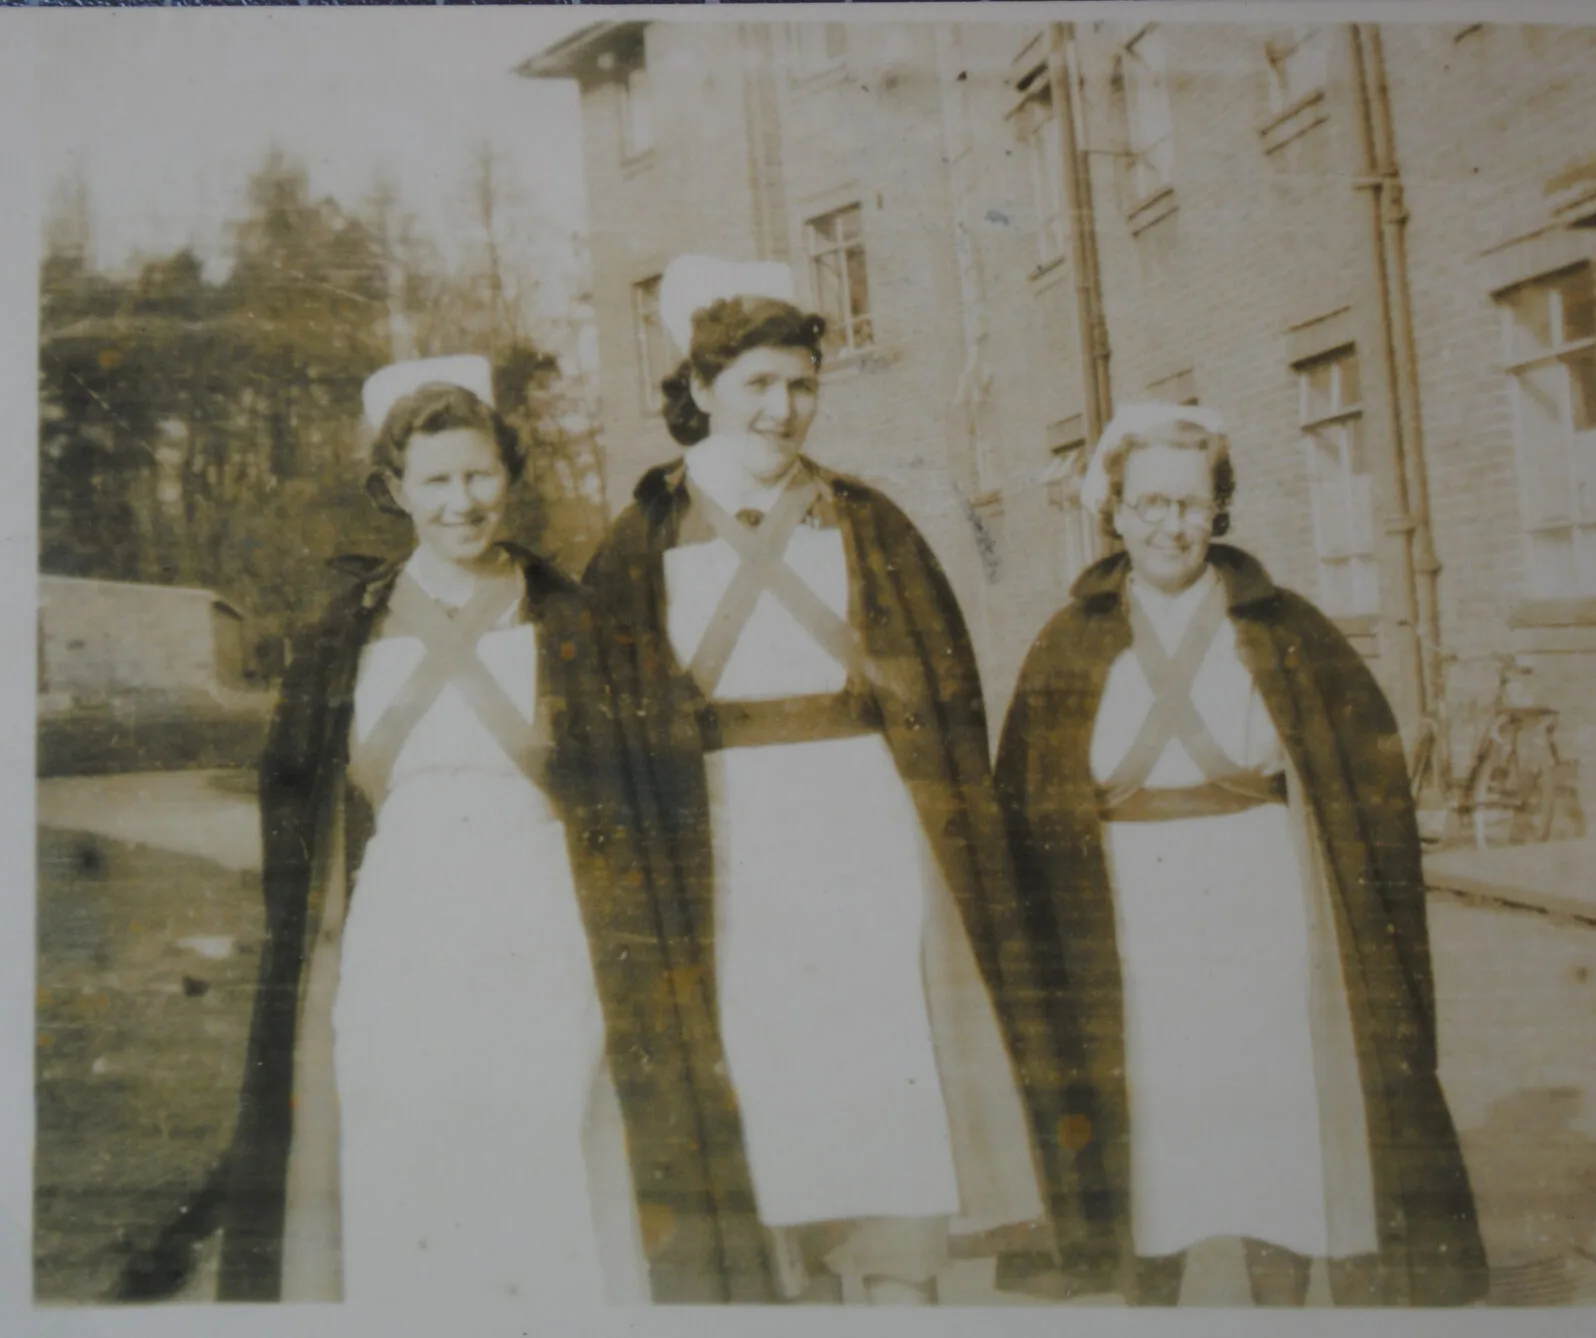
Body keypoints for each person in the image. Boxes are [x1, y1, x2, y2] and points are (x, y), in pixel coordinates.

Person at [581, 256, 1048, 1306]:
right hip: (730, 852)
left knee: (885, 1088)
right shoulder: (639, 540)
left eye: (800, 384)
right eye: (756, 383)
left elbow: (944, 697)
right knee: (768, 1100)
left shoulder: (867, 523)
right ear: (700, 389)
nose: (782, 409)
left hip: (866, 838)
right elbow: (606, 733)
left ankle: (898, 1291)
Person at [993, 403, 1490, 1307]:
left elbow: (1363, 775)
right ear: (1113, 508)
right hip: (1130, 911)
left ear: (1218, 508)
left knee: (1275, 1130)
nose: (1169, 525)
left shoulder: (1283, 624)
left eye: (1190, 502)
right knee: (1151, 1123)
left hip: (1260, 900)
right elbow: (1025, 803)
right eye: (1148, 504)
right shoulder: (1068, 641)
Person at [213, 356, 655, 1304]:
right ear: (394, 491)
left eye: (480, 474)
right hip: (404, 925)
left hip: (541, 917)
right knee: (406, 1133)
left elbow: (626, 800)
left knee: (545, 1128)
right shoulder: (347, 632)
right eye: (437, 481)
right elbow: (299, 806)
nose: (463, 501)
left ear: (509, 475)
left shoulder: (570, 617)